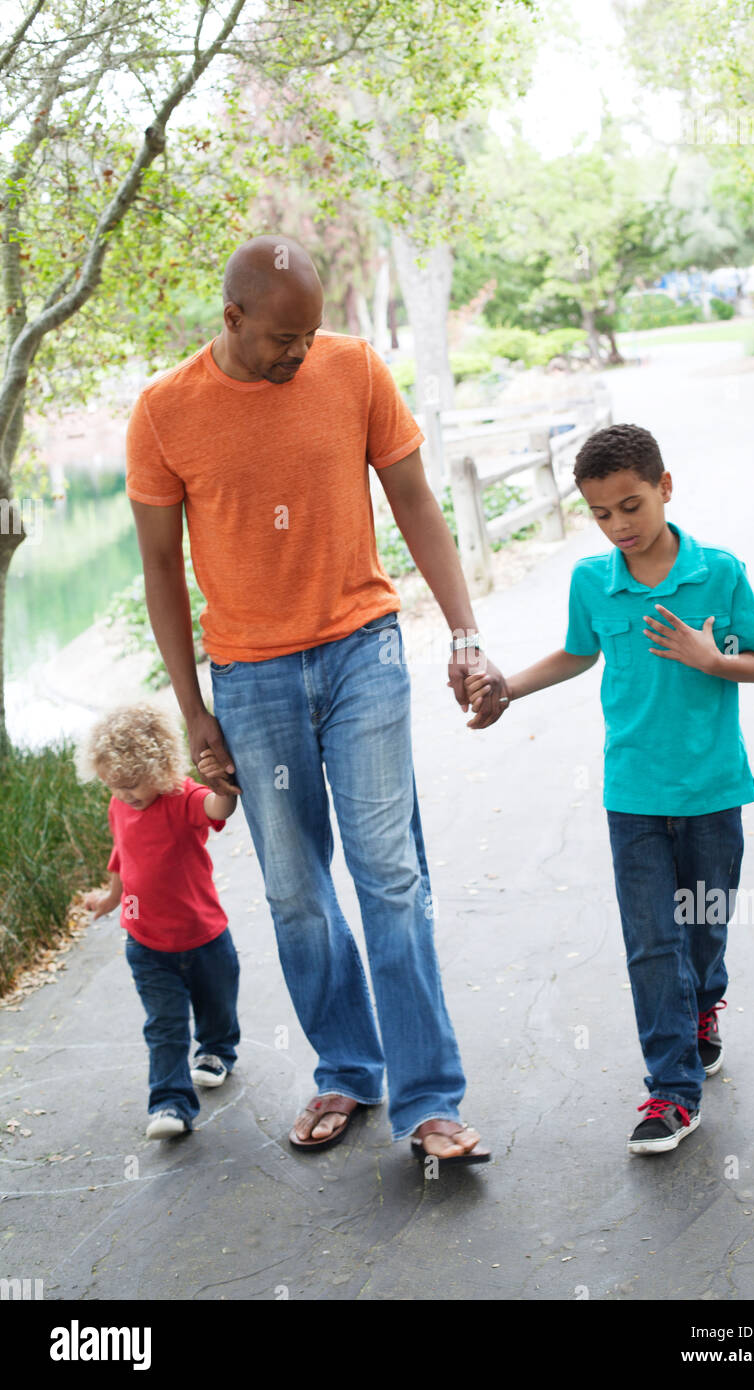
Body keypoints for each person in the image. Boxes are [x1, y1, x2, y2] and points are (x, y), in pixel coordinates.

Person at [124, 235, 508, 1164]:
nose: (300, 355)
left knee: (392, 877)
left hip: (362, 654)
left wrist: (463, 632)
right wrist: (193, 708)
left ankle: (428, 1102)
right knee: (296, 893)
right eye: (282, 340)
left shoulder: (354, 370)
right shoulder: (165, 413)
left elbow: (415, 498)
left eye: (310, 336)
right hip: (249, 679)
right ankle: (346, 1067)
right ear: (233, 318)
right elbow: (162, 575)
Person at [466, 423, 754, 1154]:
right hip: (632, 793)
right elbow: (577, 654)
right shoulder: (592, 581)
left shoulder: (719, 573)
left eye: (630, 506)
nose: (618, 526)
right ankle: (671, 1093)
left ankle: (704, 1006)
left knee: (702, 929)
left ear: (665, 488)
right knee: (650, 940)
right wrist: (507, 688)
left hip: (711, 790)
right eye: (601, 514)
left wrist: (711, 658)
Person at [80, 703, 239, 1140]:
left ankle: (215, 1051)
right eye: (114, 785)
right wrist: (111, 898)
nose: (124, 794)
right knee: (164, 1024)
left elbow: (218, 809)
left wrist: (220, 785)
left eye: (131, 784)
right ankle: (170, 1102)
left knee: (217, 1005)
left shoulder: (181, 798)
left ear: (159, 766)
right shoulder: (120, 805)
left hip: (204, 935)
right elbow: (122, 855)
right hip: (146, 943)